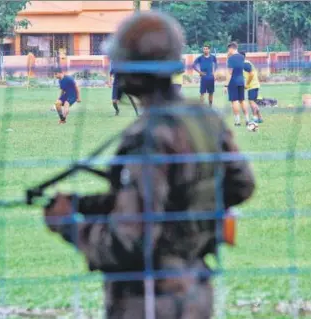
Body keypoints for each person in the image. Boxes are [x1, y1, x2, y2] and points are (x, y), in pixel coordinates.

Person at [43, 12, 255, 319]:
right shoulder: (203, 118)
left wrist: (69, 225)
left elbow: (129, 242)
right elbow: (241, 185)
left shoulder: (149, 137)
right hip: (196, 290)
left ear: (135, 72)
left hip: (150, 300)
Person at [225, 42, 250, 127]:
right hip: (241, 80)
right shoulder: (242, 57)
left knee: (234, 101)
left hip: (233, 81)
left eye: (228, 49)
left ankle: (237, 121)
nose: (228, 51)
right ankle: (247, 119)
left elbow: (230, 72)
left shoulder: (231, 58)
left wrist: (226, 85)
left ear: (231, 48)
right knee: (242, 100)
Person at [241, 52, 264, 123]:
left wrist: (247, 84)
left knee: (251, 102)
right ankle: (260, 118)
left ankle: (255, 118)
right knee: (253, 102)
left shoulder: (245, 64)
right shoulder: (245, 63)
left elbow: (251, 74)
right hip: (255, 85)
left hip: (252, 85)